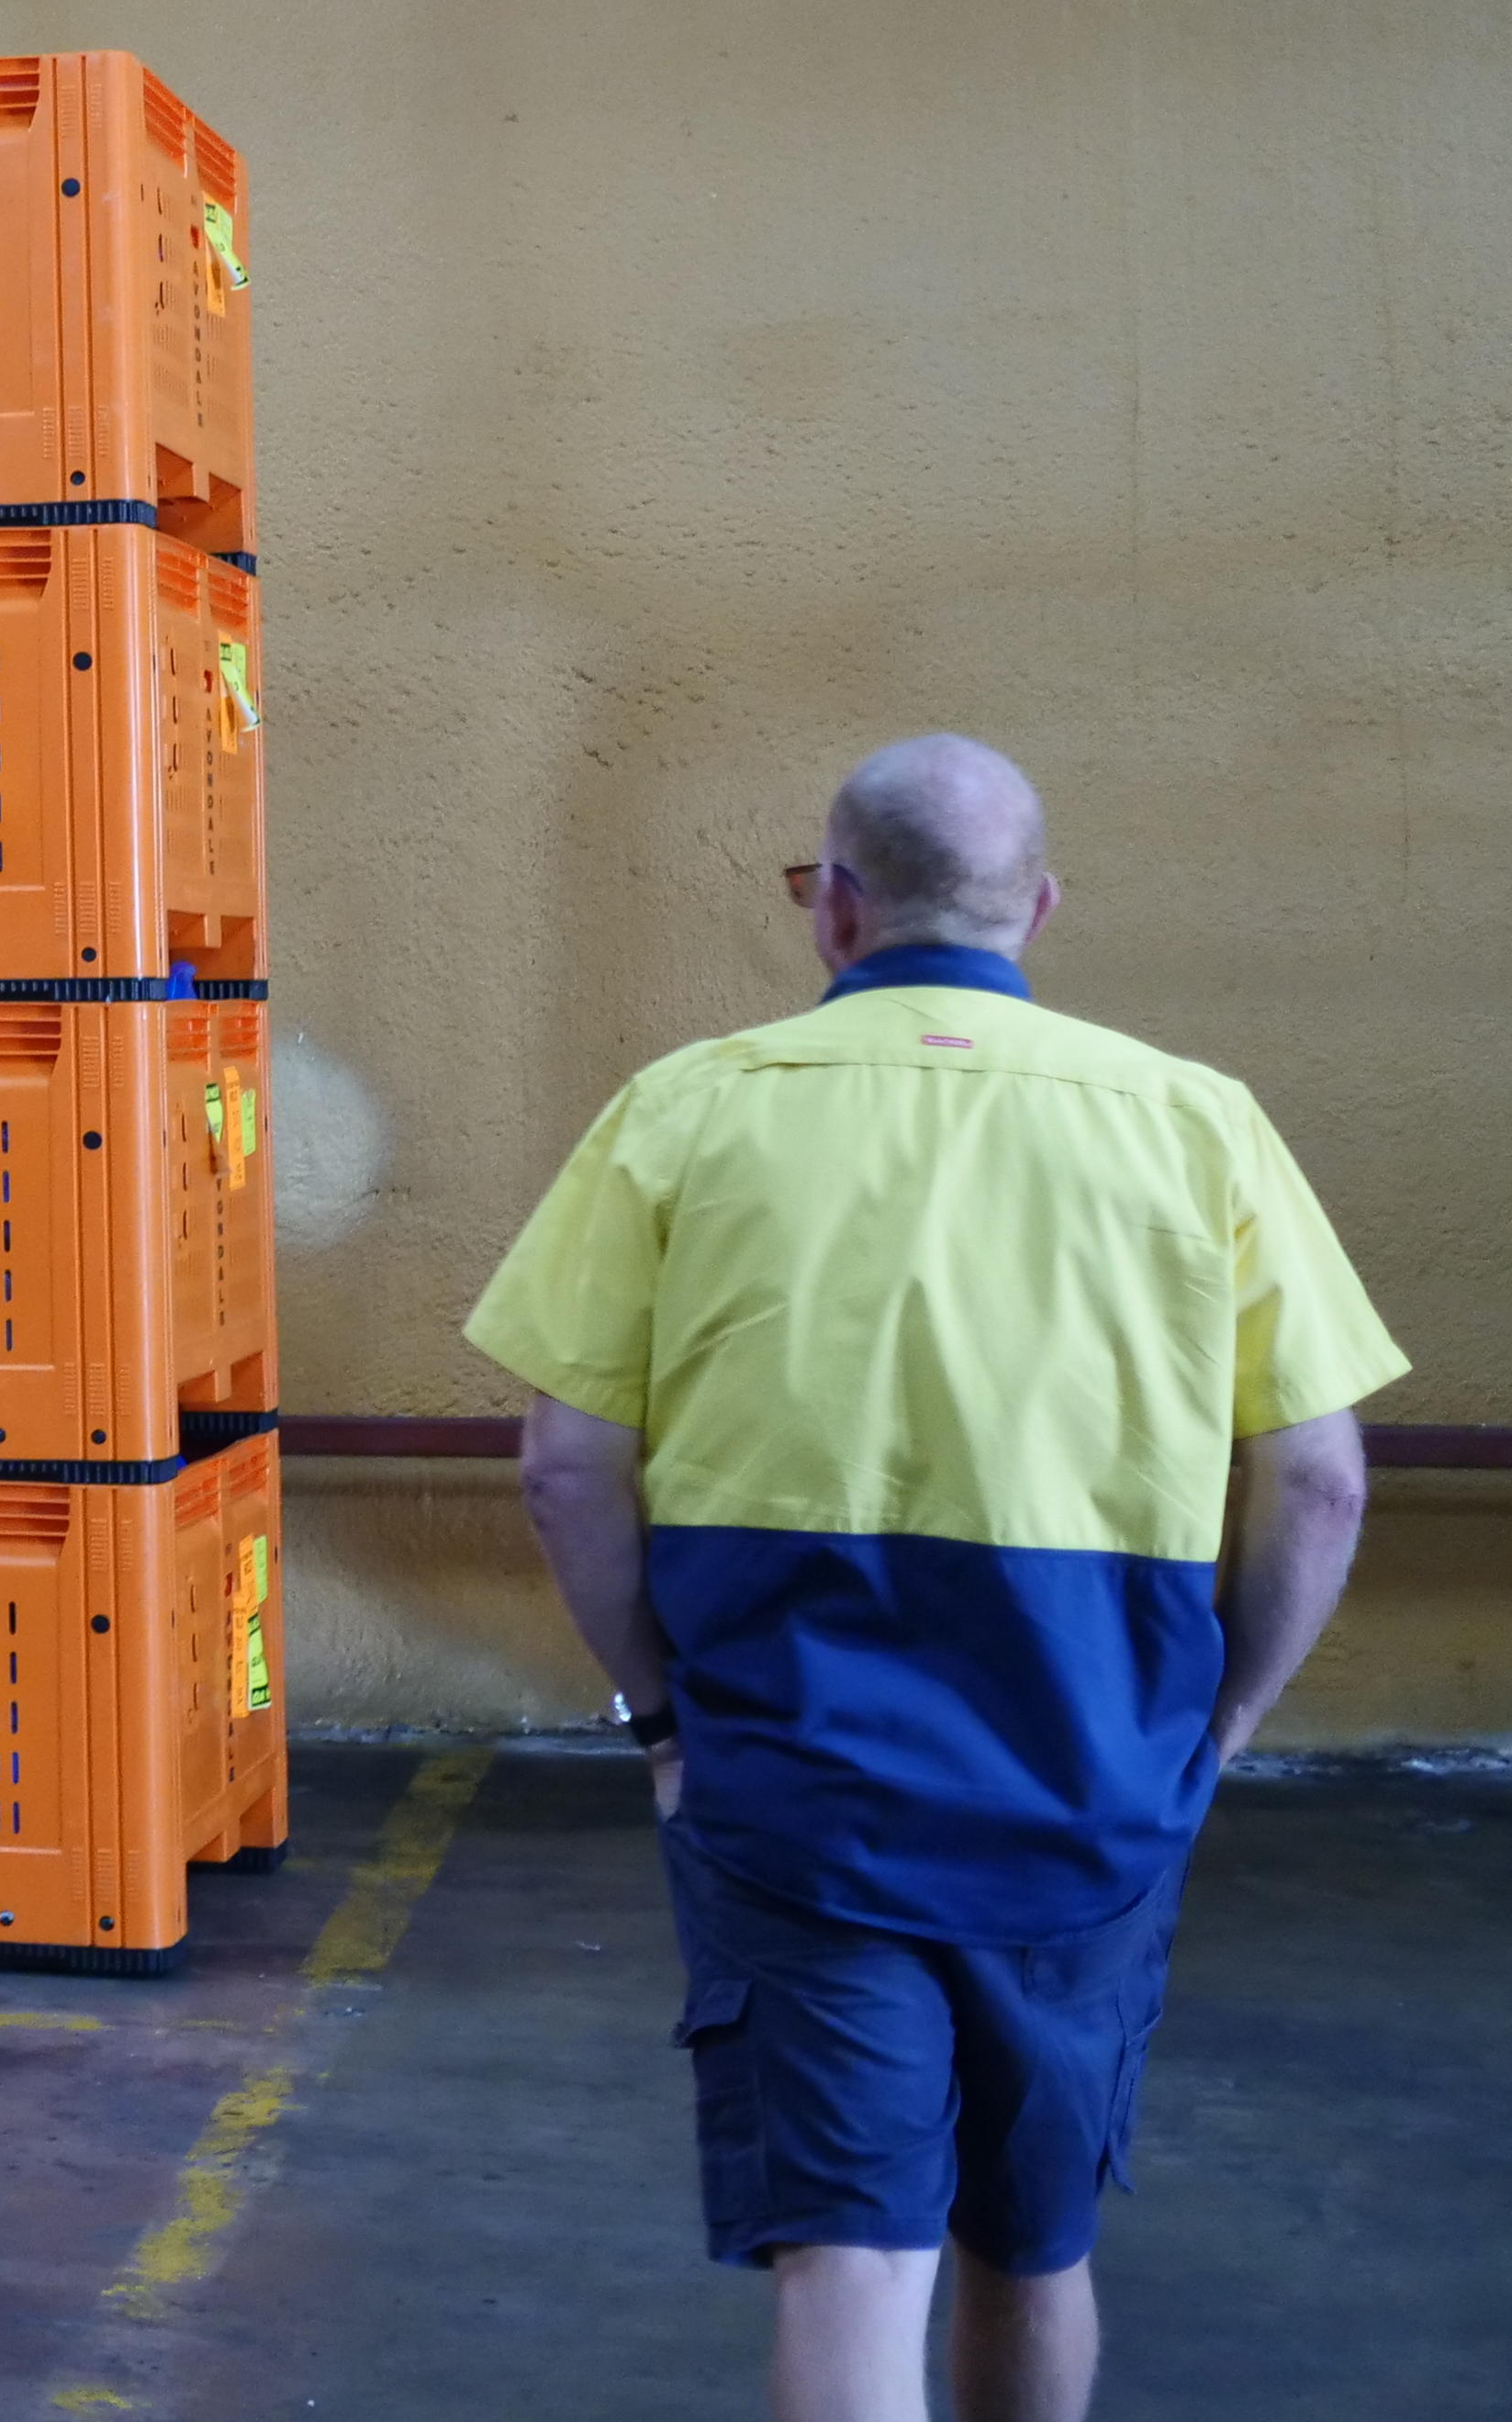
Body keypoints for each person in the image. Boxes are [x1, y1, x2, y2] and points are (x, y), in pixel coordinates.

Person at [465, 734, 1405, 2422]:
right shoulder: (1196, 1124)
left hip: (796, 1793)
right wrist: (1225, 1724)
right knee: (1032, 2242)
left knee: (851, 2245)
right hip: (1093, 1792)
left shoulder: (687, 1110)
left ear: (831, 909)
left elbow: (562, 1468)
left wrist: (664, 1716)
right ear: (1039, 909)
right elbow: (1323, 1474)